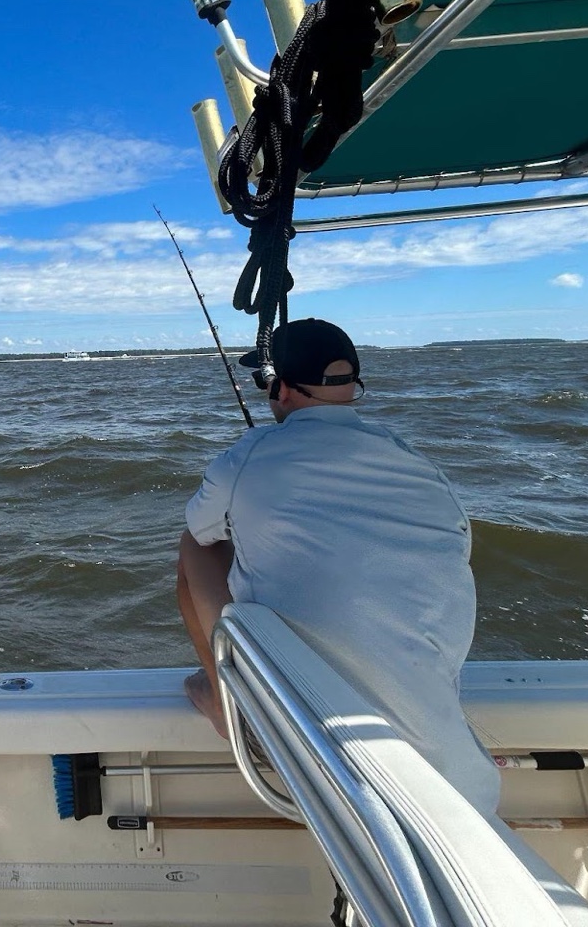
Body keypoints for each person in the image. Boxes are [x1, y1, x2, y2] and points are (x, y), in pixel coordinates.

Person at [175, 318, 499, 815]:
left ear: (279, 387)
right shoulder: (415, 461)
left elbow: (202, 531)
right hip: (462, 776)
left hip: (333, 765)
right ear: (352, 386)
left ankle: (226, 699)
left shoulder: (248, 457)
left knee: (196, 546)